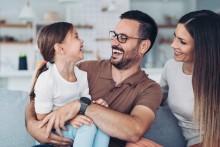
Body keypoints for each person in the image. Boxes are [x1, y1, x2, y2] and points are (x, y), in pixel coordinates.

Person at [25, 10, 163, 147]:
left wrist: (82, 106)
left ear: (143, 46)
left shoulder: (150, 89)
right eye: (114, 35)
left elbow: (134, 130)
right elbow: (37, 99)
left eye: (123, 38)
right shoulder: (85, 69)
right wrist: (32, 125)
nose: (114, 42)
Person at [29, 22, 110, 147]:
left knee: (105, 126)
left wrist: (96, 105)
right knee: (87, 127)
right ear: (60, 49)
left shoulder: (82, 75)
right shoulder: (47, 80)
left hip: (74, 125)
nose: (82, 40)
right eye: (76, 37)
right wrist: (69, 120)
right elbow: (42, 118)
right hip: (52, 131)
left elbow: (85, 101)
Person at [160, 10, 220, 147]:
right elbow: (155, 97)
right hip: (175, 135)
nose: (173, 45)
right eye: (175, 37)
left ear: (203, 47)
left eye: (182, 42)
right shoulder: (171, 66)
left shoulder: (215, 79)